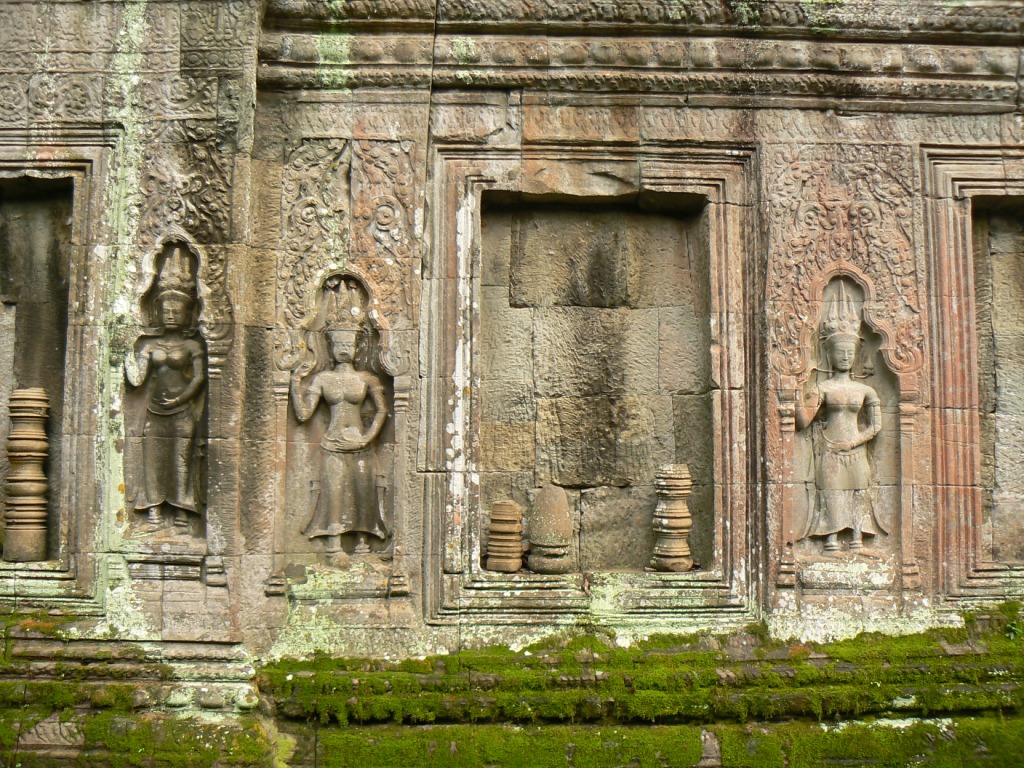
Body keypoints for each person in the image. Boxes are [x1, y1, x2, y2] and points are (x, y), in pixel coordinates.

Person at [795, 282, 885, 552]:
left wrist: (856, 441)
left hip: (856, 449)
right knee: (831, 494)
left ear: (856, 354)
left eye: (849, 352)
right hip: (830, 449)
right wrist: (793, 391)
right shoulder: (823, 388)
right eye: (840, 352)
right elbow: (803, 422)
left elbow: (876, 425)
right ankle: (832, 539)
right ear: (829, 354)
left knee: (860, 492)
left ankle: (857, 538)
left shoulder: (865, 389)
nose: (845, 356)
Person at [290, 320, 388, 565]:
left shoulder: (366, 378)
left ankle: (362, 542)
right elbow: (303, 415)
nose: (344, 348)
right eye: (339, 343)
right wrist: (293, 383)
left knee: (361, 490)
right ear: (330, 347)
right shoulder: (323, 379)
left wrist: (367, 437)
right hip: (332, 443)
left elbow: (381, 411)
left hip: (361, 444)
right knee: (333, 491)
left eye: (349, 343)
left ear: (357, 347)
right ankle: (334, 545)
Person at [125, 247, 206, 532]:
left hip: (182, 410)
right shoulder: (150, 347)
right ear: (157, 311)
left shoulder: (193, 346)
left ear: (188, 313)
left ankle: (183, 510)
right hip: (155, 410)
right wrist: (123, 353)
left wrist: (180, 400)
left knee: (181, 460)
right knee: (153, 459)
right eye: (166, 310)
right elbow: (138, 378)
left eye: (177, 310)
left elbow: (198, 380)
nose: (171, 314)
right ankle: (154, 510)